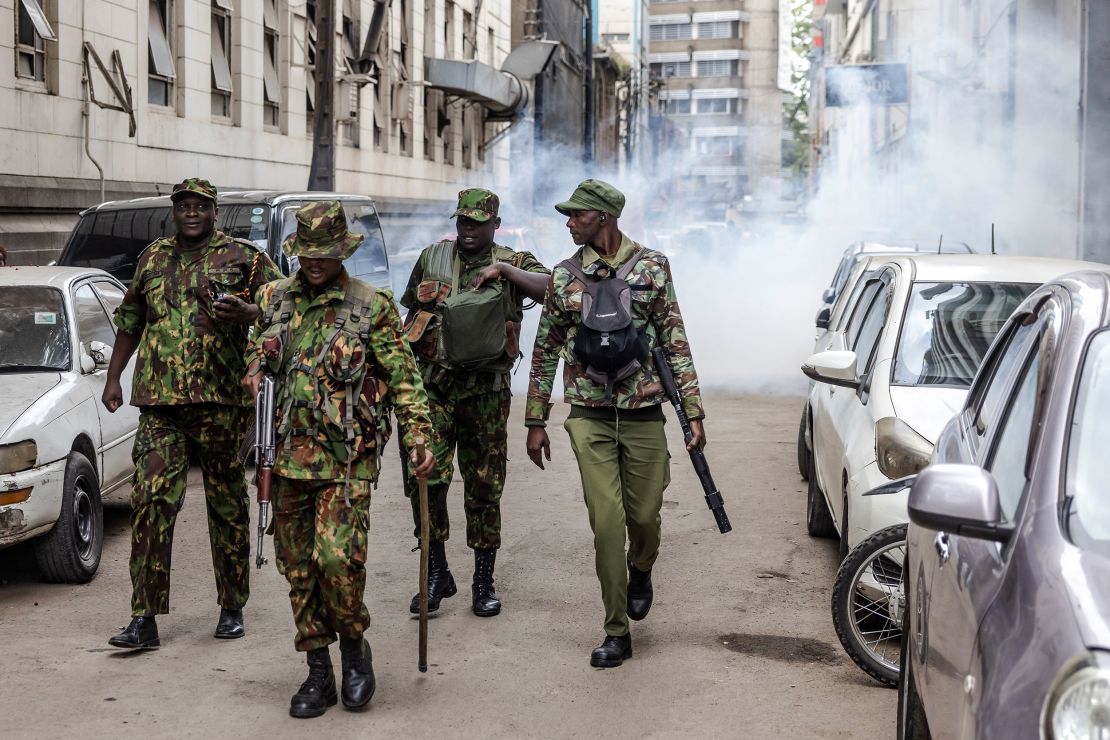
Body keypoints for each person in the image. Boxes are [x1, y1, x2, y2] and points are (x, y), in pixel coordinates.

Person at [242, 201, 436, 719]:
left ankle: (354, 649)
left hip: (345, 459)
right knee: (298, 569)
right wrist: (256, 366)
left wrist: (419, 437)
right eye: (306, 253)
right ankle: (318, 672)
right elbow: (257, 349)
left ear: (342, 253)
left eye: (324, 254)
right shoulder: (274, 299)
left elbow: (405, 380)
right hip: (283, 458)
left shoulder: (371, 306)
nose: (314, 263)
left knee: (337, 562)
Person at [524, 179, 706, 668]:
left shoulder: (653, 267)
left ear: (602, 217)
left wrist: (692, 411)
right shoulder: (564, 277)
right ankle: (615, 630)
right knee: (607, 523)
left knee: (643, 519)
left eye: (576, 215)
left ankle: (641, 569)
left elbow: (675, 342)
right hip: (589, 415)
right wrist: (535, 419)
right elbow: (543, 351)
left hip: (645, 413)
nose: (568, 222)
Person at [103, 178, 283, 649]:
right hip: (161, 404)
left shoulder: (245, 258)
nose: (190, 213)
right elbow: (130, 320)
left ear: (213, 212)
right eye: (183, 205)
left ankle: (232, 605)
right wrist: (113, 377)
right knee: (152, 502)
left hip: (222, 403)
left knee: (225, 505)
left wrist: (247, 314)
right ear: (174, 211)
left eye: (200, 206)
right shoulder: (154, 258)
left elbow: (284, 310)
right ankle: (144, 616)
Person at [398, 188, 549, 617]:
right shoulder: (432, 258)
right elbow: (410, 312)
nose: (468, 230)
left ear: (494, 225)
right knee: (426, 479)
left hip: (484, 394)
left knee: (484, 486)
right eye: (463, 221)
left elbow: (555, 286)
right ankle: (436, 573)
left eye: (477, 223)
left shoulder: (514, 261)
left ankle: (483, 580)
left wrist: (504, 271)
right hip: (434, 389)